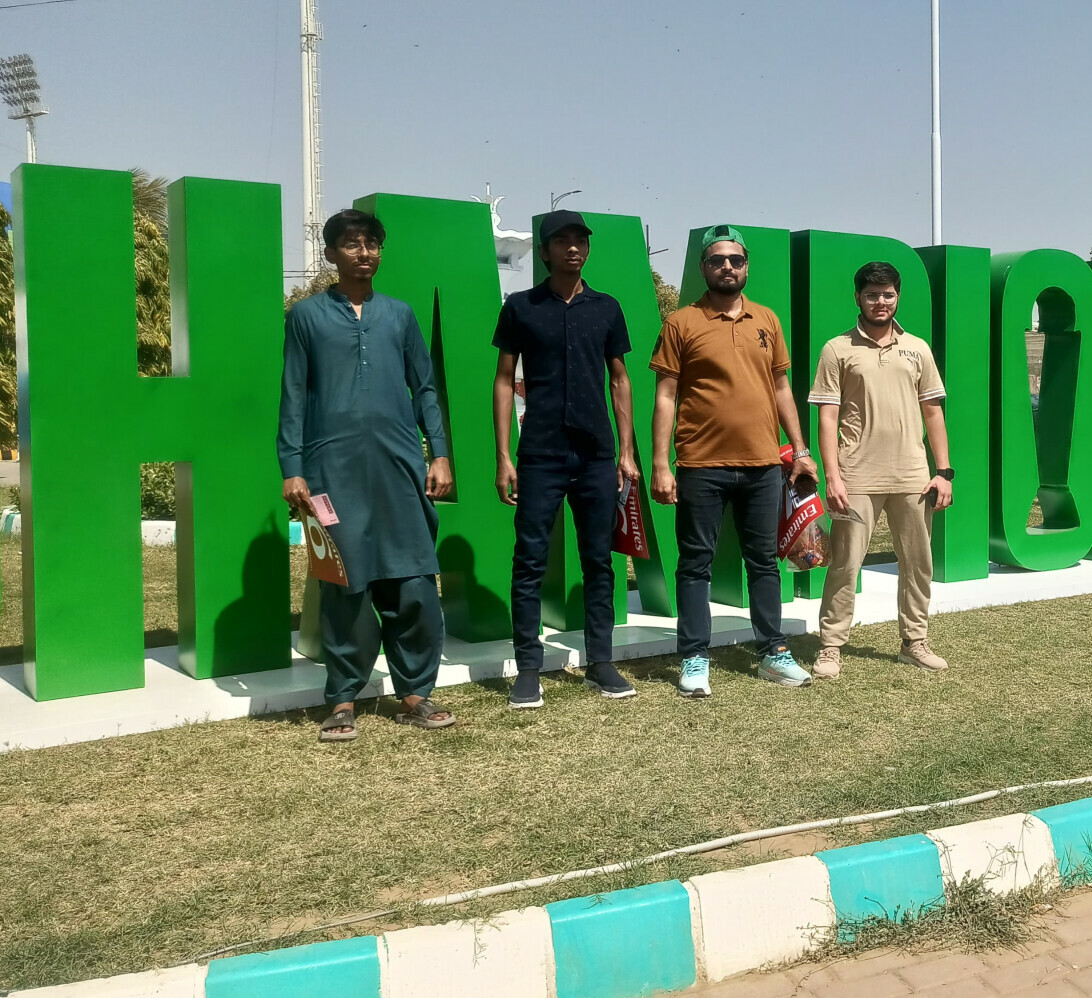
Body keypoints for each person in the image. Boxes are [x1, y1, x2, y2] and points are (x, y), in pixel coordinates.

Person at [280, 209, 458, 742]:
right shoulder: (306, 316)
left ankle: (416, 693)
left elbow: (425, 388)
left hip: (400, 463)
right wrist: (293, 467)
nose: (364, 252)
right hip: (331, 465)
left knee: (413, 578)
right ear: (331, 253)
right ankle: (342, 697)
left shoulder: (399, 315)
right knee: (344, 581)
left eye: (372, 243)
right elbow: (293, 394)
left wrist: (440, 454)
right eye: (351, 244)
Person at [649, 225, 817, 697]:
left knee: (764, 561)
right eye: (718, 260)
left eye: (736, 260)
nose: (728, 267)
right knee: (695, 563)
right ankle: (694, 658)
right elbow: (665, 396)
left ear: (746, 267)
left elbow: (782, 388)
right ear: (704, 268)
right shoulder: (681, 323)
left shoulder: (767, 319)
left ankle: (773, 653)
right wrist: (661, 464)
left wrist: (800, 451)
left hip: (764, 464)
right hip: (701, 464)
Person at [492, 210, 640, 708]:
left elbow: (620, 379)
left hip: (597, 455)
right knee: (529, 561)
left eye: (580, 240)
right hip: (539, 454)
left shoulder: (606, 307)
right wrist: (503, 455)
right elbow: (502, 380)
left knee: (600, 561)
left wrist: (626, 452)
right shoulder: (521, 306)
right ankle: (528, 669)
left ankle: (601, 663)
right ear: (545, 250)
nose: (573, 248)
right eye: (562, 241)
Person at [808, 262, 953, 679]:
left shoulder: (918, 348)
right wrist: (833, 476)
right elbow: (827, 418)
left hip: (912, 474)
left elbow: (933, 411)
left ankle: (915, 642)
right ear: (858, 298)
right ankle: (831, 646)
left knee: (917, 563)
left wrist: (944, 471)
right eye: (872, 295)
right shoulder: (837, 349)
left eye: (888, 294)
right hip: (856, 474)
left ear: (897, 296)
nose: (880, 302)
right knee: (845, 565)